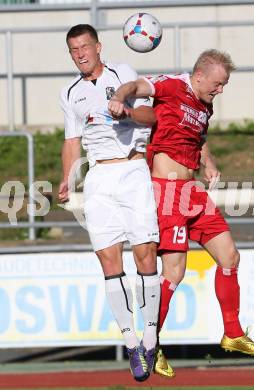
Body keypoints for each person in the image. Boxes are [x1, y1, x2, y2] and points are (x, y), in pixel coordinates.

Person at [108, 49, 254, 378]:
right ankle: (151, 344)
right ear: (199, 76)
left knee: (229, 257)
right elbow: (136, 86)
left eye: (224, 84)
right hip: (166, 192)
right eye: (218, 83)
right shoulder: (171, 86)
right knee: (174, 273)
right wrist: (119, 100)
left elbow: (200, 136)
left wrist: (208, 162)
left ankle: (233, 334)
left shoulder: (204, 103)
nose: (221, 90)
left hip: (193, 191)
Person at [58, 24, 161, 382]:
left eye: (85, 46)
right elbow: (72, 141)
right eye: (74, 50)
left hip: (133, 170)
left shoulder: (124, 74)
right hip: (99, 177)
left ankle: (150, 337)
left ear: (98, 47)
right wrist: (66, 177)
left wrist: (127, 112)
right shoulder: (70, 92)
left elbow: (153, 116)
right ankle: (131, 344)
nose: (80, 54)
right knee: (108, 259)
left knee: (146, 252)